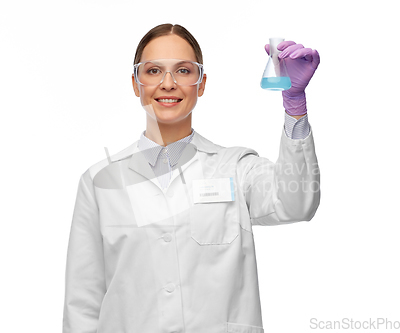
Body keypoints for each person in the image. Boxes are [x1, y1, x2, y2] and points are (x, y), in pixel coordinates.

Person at [62, 23, 320, 333]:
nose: (168, 84)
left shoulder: (235, 167)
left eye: (183, 71)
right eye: (153, 71)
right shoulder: (99, 182)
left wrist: (295, 107)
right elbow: (83, 302)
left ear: (201, 83)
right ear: (135, 83)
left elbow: (297, 202)